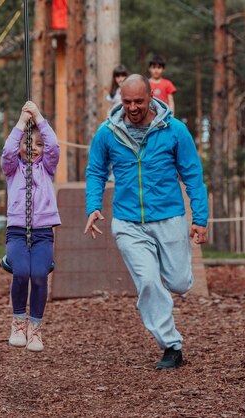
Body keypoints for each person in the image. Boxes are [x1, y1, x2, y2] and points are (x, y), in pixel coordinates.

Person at [84, 74, 208, 369]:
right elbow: (96, 171)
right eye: (127, 102)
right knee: (149, 282)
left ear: (151, 98)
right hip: (128, 222)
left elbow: (193, 176)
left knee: (179, 282)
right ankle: (171, 345)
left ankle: (170, 285)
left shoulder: (175, 130)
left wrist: (200, 218)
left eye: (139, 101)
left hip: (169, 217)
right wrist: (93, 206)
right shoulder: (107, 132)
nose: (133, 107)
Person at [1, 101, 61, 352]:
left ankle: (35, 330)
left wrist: (38, 116)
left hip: (43, 232)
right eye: (29, 143)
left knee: (39, 275)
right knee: (22, 272)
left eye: (38, 144)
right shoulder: (12, 168)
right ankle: (18, 323)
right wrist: (22, 123)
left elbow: (54, 147)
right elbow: (7, 150)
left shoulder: (47, 168)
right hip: (17, 230)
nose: (33, 148)